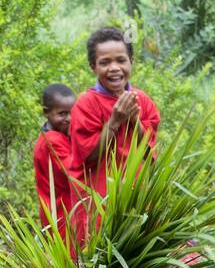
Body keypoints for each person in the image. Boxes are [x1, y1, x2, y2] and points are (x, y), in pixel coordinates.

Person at [68, 25, 160, 239]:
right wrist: (114, 121)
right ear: (93, 66)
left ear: (131, 62)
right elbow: (88, 156)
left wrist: (134, 119)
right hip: (98, 203)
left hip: (135, 199)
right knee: (97, 261)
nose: (114, 68)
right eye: (105, 62)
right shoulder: (86, 104)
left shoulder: (143, 101)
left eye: (121, 60)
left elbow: (150, 155)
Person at [33, 82, 77, 243]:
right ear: (46, 112)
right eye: (62, 114)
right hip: (62, 216)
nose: (69, 119)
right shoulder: (52, 140)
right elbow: (74, 171)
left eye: (72, 113)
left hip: (59, 215)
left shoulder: (55, 136)